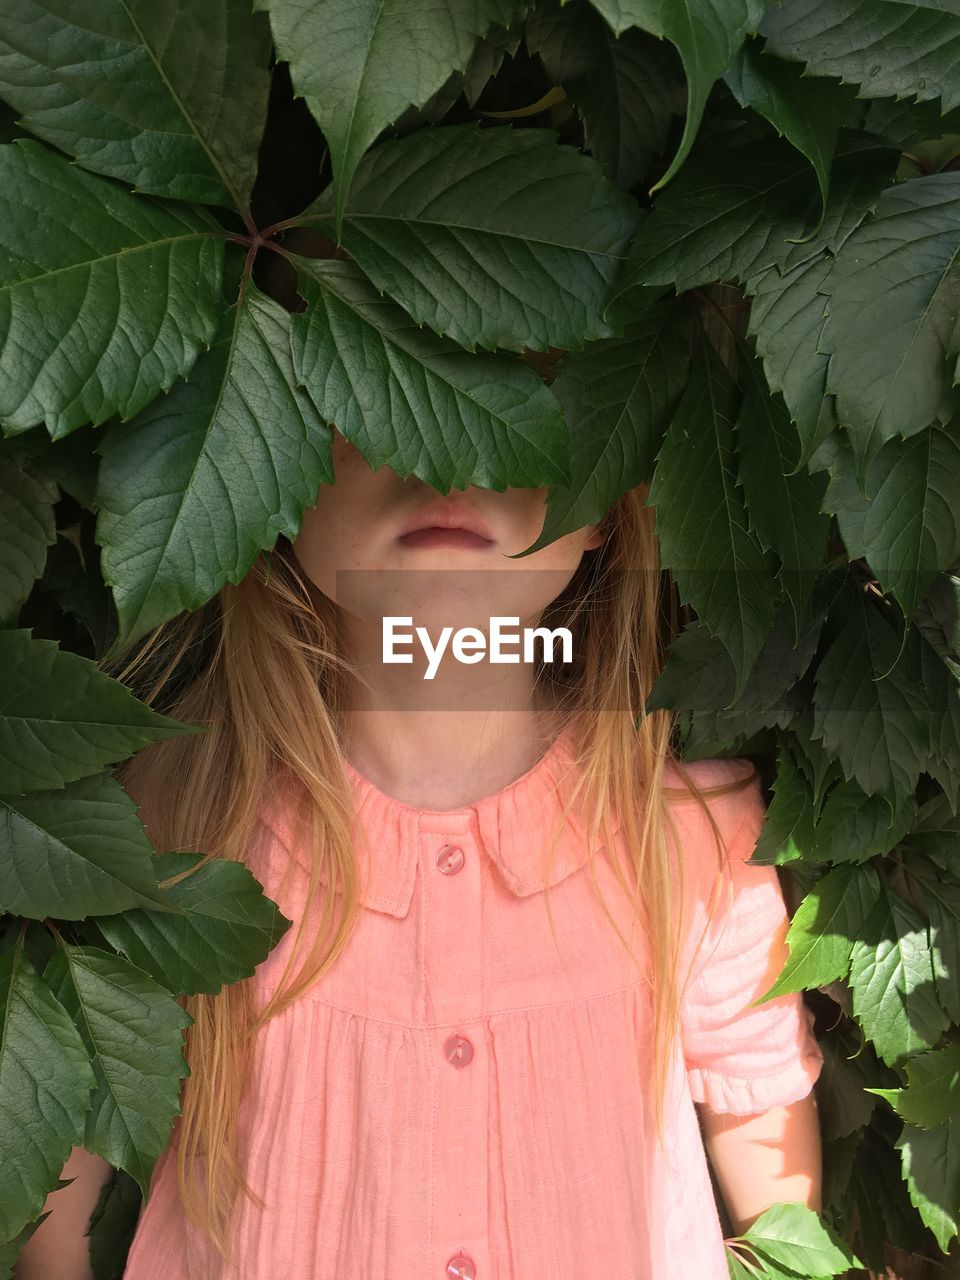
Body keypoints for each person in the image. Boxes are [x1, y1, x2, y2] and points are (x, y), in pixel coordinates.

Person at [15, 429, 824, 1280]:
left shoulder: (693, 833)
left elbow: (762, 1124)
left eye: (512, 385)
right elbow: (74, 1137)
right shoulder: (172, 824)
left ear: (603, 512)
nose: (446, 449)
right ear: (276, 485)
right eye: (375, 389)